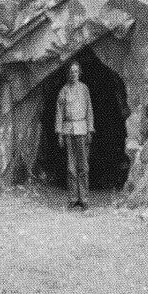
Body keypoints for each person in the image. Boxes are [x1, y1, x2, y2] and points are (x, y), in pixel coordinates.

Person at [55, 61, 95, 210]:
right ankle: (73, 198)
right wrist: (59, 133)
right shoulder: (63, 90)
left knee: (83, 166)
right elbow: (59, 113)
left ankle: (84, 199)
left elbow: (89, 109)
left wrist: (90, 130)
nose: (73, 74)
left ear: (79, 73)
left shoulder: (84, 89)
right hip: (68, 130)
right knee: (71, 167)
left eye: (76, 71)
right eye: (71, 72)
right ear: (68, 74)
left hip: (82, 129)